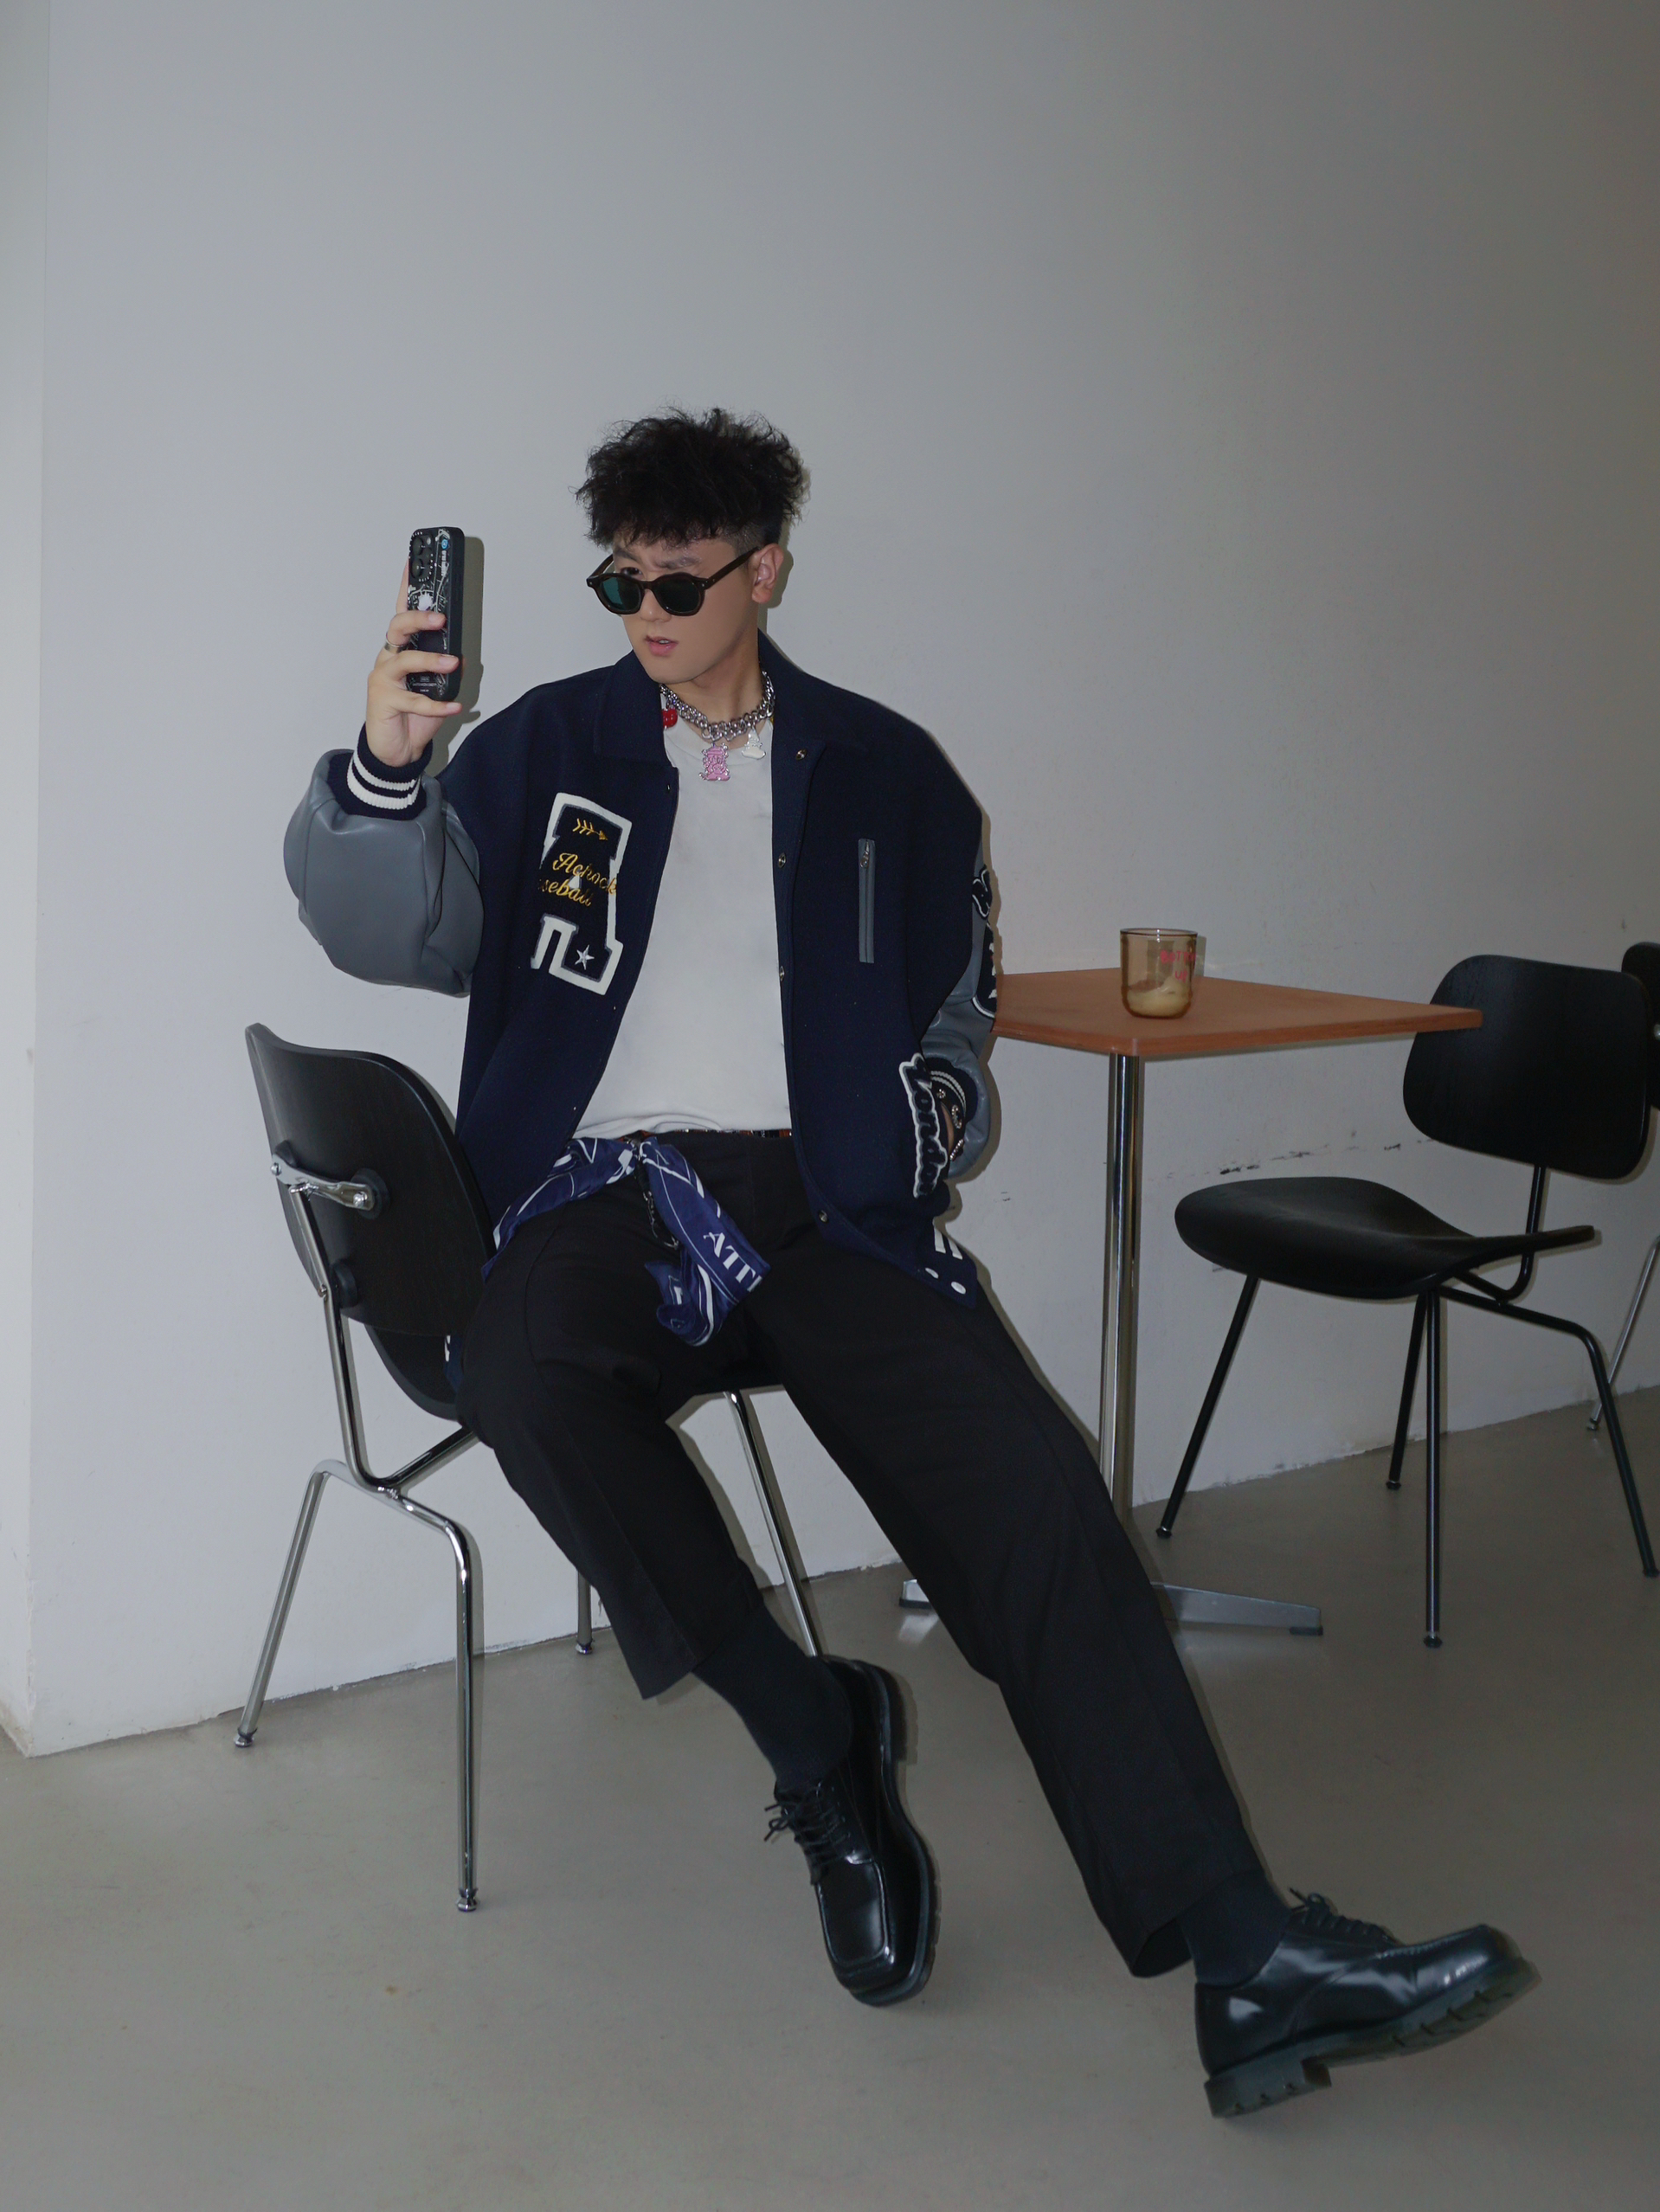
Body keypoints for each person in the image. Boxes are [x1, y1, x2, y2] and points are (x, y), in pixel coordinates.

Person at [285, 408, 1535, 2117]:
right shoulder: (543, 750)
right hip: (605, 1192)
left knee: (1032, 1496)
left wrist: (923, 1121)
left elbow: (955, 1009)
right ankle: (817, 1738)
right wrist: (387, 765)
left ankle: (1246, 1959)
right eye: (619, 582)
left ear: (764, 573)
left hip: (834, 1202)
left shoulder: (888, 773)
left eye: (676, 582)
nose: (644, 613)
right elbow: (388, 934)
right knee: (517, 1370)